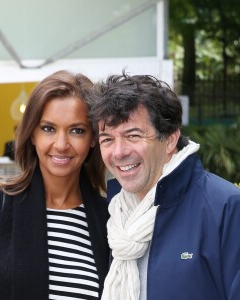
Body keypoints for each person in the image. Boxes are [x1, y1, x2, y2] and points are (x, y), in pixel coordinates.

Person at [0, 70, 110, 299]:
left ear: (92, 139)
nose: (61, 144)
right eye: (48, 128)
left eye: (76, 130)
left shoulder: (108, 219)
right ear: (32, 134)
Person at [89, 72, 240, 300]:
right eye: (107, 139)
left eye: (133, 135)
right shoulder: (113, 216)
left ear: (169, 139)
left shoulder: (226, 207)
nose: (119, 152)